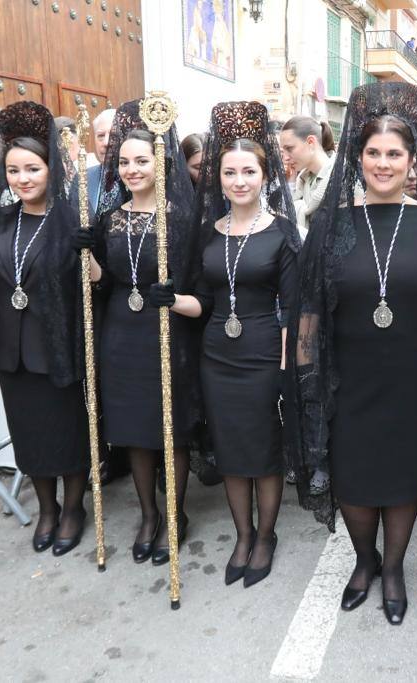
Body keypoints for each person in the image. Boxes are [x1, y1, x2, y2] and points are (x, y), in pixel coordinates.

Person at [287, 82, 417, 626]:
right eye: (373, 153)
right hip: (350, 375)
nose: (383, 163)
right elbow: (311, 305)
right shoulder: (333, 220)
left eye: (394, 153)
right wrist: (305, 373)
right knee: (356, 477)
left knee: (404, 477)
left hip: (412, 376)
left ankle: (393, 568)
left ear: (413, 161)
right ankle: (363, 561)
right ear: (357, 157)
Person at [159, 101, 300, 587]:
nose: (239, 181)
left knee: (263, 449)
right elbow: (203, 302)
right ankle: (242, 535)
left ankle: (266, 536)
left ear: (265, 175)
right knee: (232, 449)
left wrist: (285, 366)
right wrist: (171, 299)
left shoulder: (282, 231)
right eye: (229, 172)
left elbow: (294, 304)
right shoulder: (209, 233)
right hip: (217, 353)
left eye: (248, 171)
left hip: (263, 351)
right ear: (217, 177)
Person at [0, 101, 90, 556]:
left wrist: (90, 255)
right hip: (11, 350)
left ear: (51, 169)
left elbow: (89, 291)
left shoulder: (72, 223)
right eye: (13, 171)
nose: (23, 179)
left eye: (32, 169)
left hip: (58, 346)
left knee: (67, 432)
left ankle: (73, 508)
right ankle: (46, 508)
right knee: (29, 434)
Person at [85, 101, 202, 567]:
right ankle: (149, 516)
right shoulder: (110, 218)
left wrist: (171, 296)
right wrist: (87, 257)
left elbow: (197, 285)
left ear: (161, 162)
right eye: (124, 162)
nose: (131, 170)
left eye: (142, 161)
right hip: (120, 333)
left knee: (168, 430)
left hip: (166, 332)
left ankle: (176, 513)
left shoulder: (183, 219)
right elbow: (104, 281)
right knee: (133, 430)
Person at [279, 116, 336, 238]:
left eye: (289, 149)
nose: (285, 158)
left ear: (311, 142)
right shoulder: (302, 180)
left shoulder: (341, 179)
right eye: (283, 152)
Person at [86, 109, 116, 215]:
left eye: (113, 135)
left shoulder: (136, 178)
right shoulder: (83, 178)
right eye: (101, 136)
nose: (106, 143)